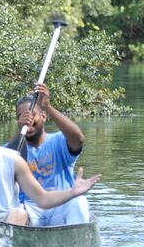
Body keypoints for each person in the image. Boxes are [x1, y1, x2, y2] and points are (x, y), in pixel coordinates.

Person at [5, 83, 92, 226]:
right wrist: (21, 129)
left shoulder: (58, 141)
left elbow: (78, 139)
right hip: (31, 210)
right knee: (14, 212)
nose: (27, 120)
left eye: (32, 114)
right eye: (21, 117)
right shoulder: (13, 149)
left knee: (78, 200)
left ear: (44, 116)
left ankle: (75, 243)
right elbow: (5, 163)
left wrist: (48, 107)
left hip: (61, 204)